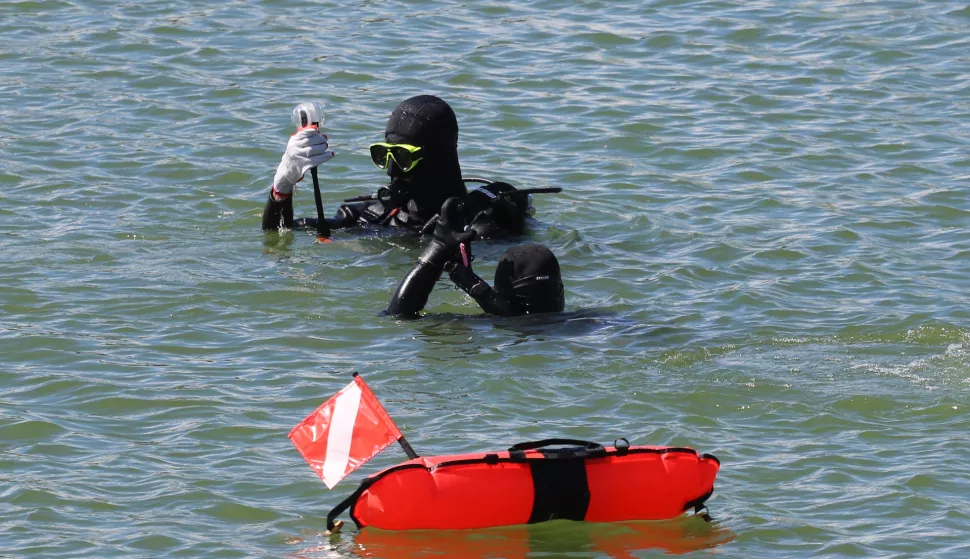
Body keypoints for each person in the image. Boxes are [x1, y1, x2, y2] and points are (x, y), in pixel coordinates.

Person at [261, 95, 540, 238]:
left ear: (438, 159)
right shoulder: (372, 217)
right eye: (384, 155)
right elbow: (278, 235)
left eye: (403, 158)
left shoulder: (486, 215)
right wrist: (283, 185)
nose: (391, 172)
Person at [385, 197, 565, 319]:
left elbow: (398, 316)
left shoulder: (486, 330)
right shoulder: (583, 322)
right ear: (560, 292)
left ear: (500, 291)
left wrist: (438, 248)